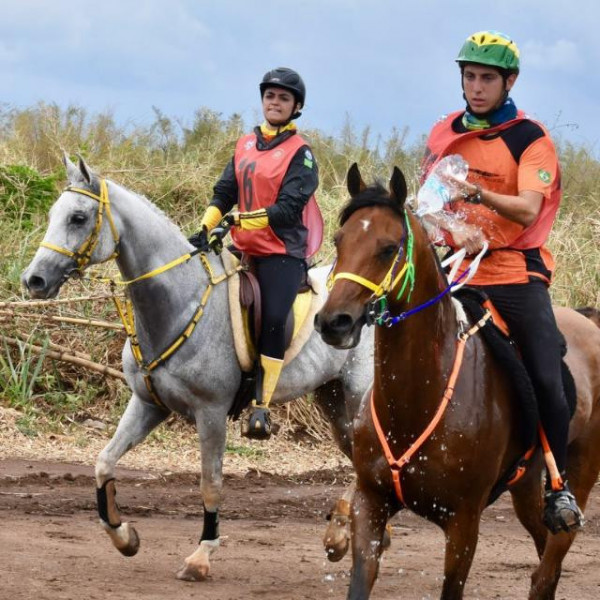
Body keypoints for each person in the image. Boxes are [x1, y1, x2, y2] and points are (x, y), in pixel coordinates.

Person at [419, 31, 584, 534]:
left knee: (547, 373)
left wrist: (476, 194)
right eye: (469, 76)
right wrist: (450, 229)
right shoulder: (444, 132)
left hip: (515, 271)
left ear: (509, 81)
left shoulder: (530, 138)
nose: (476, 86)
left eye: (487, 78)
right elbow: (427, 205)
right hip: (458, 269)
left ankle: (557, 485)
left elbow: (527, 209)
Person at [189, 67, 322, 440]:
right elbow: (224, 192)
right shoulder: (245, 144)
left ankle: (261, 406)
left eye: (283, 98)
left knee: (275, 317)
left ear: (296, 107)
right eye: (270, 96)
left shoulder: (301, 154)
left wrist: (238, 220)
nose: (275, 102)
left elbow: (288, 208)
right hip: (243, 247)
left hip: (281, 252)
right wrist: (205, 227)